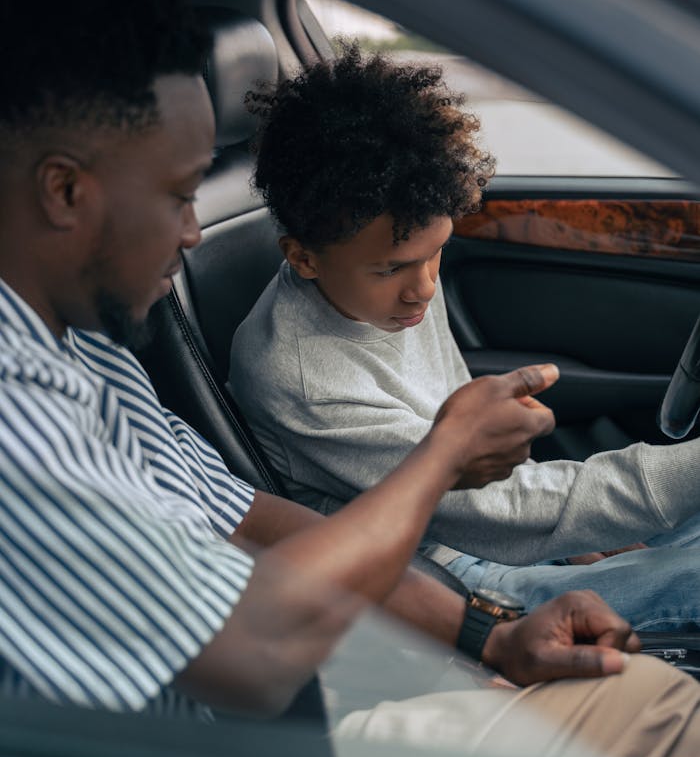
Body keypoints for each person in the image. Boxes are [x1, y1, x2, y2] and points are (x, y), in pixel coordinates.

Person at [2, 0, 700, 757]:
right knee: (671, 716)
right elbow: (252, 652)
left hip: (313, 679)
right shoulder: (16, 406)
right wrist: (442, 458)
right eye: (179, 193)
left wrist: (487, 634)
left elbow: (250, 518)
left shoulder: (87, 354)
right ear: (63, 191)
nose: (194, 231)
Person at [229, 42, 700, 632]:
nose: (423, 289)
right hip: (445, 576)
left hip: (495, 525)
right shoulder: (302, 378)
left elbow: (474, 456)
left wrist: (568, 541)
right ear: (303, 258)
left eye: (437, 256)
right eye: (393, 269)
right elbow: (487, 512)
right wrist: (553, 535)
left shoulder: (379, 287)